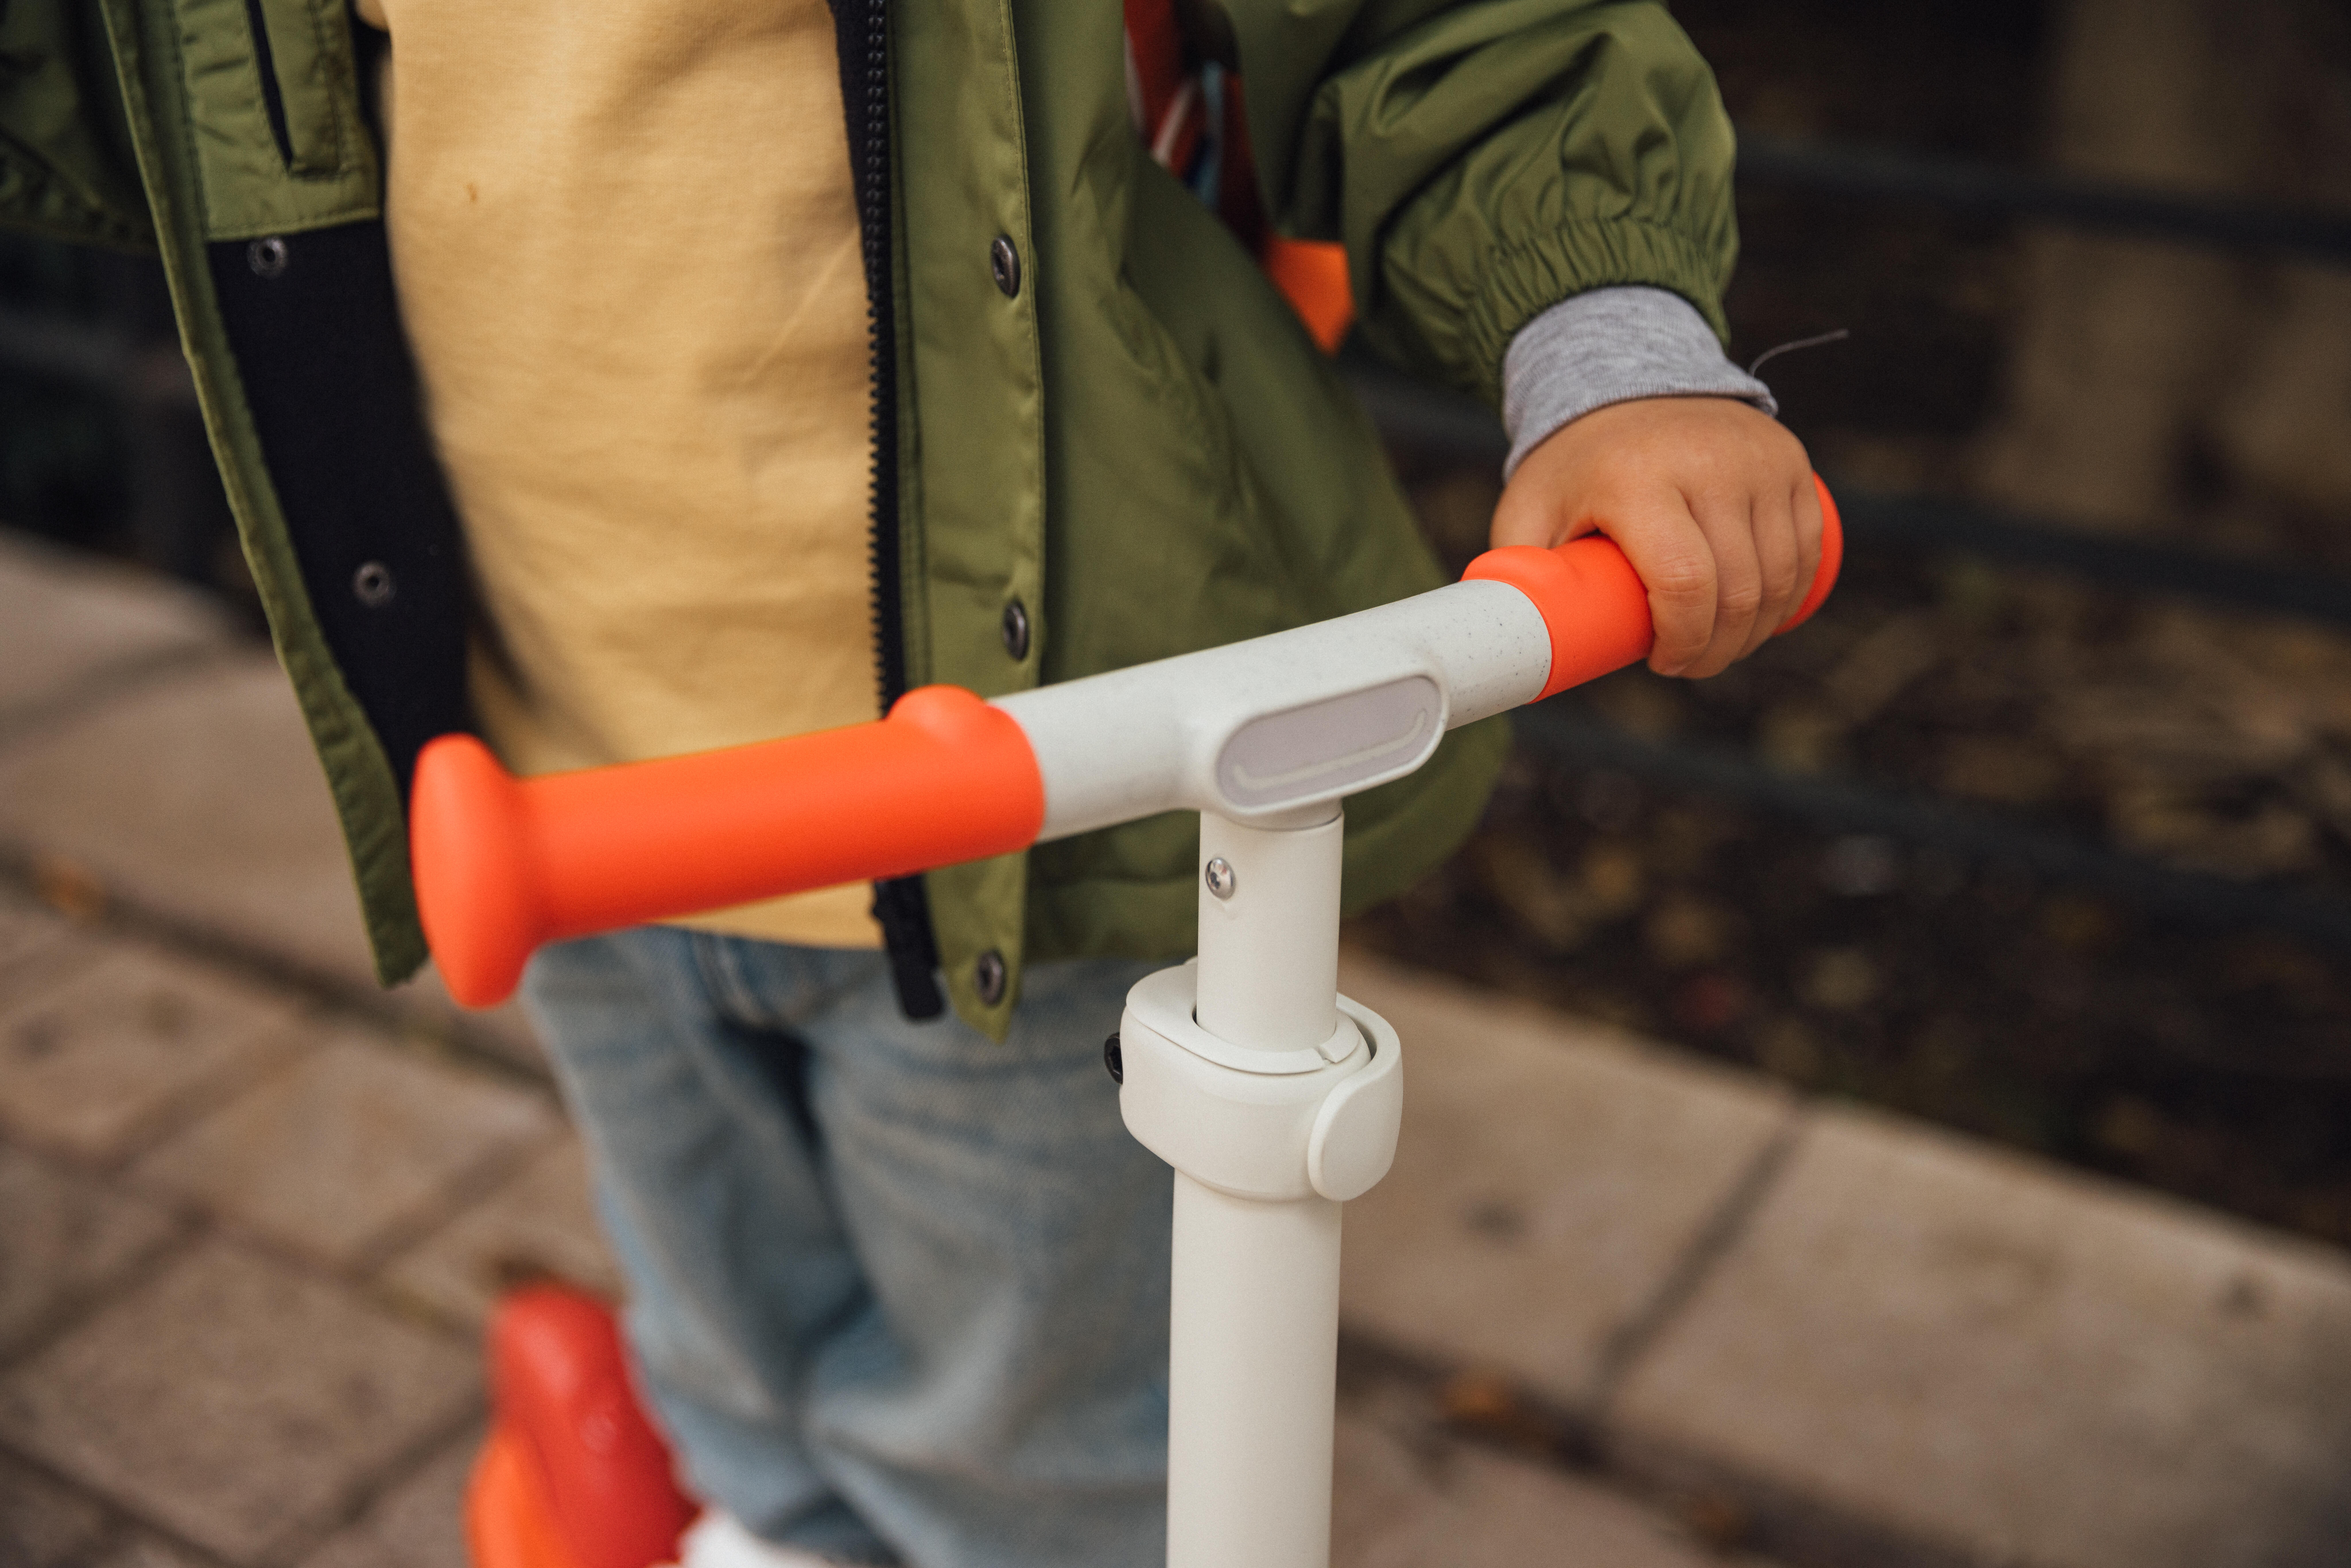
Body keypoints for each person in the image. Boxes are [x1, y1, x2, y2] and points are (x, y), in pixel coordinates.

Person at [1, 2, 1819, 1563]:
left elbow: (1436, 28)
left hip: (1016, 814)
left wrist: (1605, 339)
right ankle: (752, 1505)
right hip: (557, 790)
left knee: (1021, 1461)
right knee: (735, 1343)